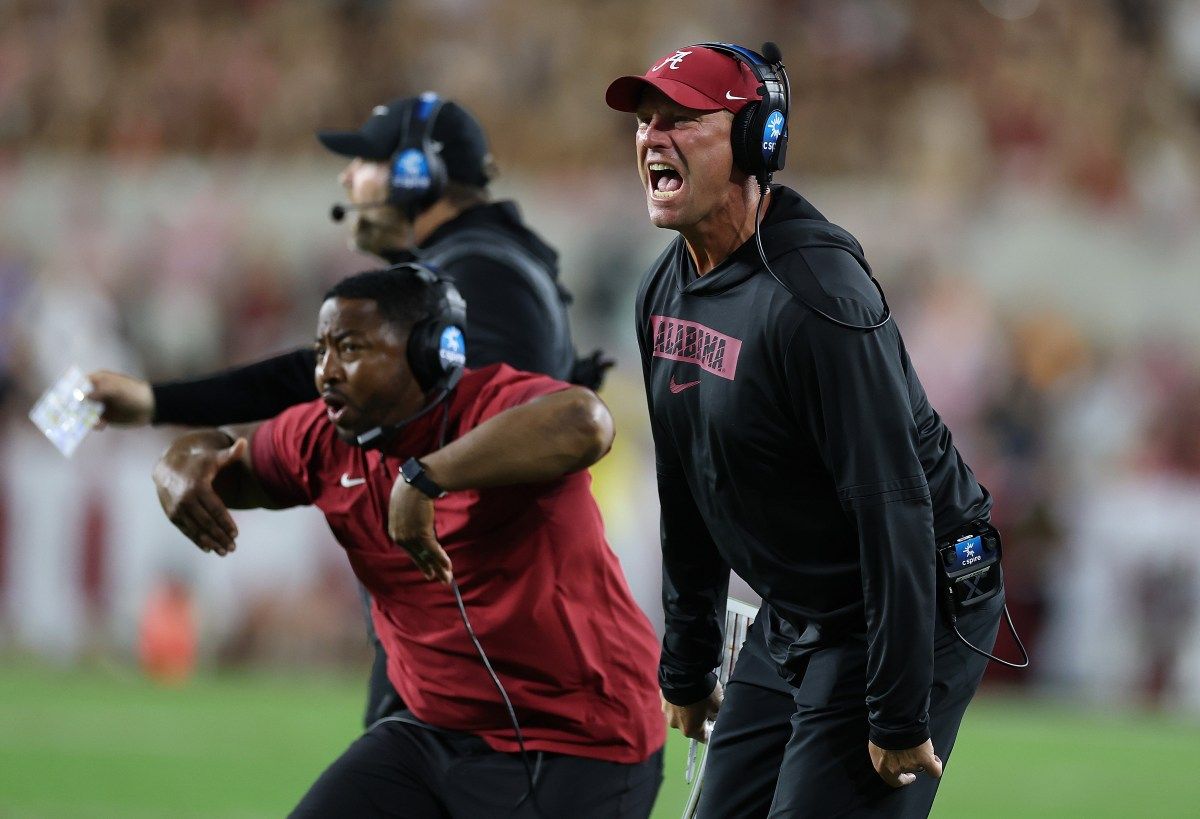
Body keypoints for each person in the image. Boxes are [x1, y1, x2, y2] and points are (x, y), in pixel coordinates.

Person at [88, 92, 609, 727]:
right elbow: (324, 380)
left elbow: (494, 420)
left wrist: (180, 415)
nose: (347, 178)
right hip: (466, 622)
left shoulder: (481, 276)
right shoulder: (474, 266)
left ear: (417, 174)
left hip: (477, 631)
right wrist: (158, 403)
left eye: (365, 161)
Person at [606, 43, 1006, 817]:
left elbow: (893, 502)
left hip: (912, 597)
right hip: (806, 603)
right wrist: (687, 660)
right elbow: (686, 486)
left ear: (756, 139)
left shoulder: (816, 293)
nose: (653, 135)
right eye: (646, 120)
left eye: (682, 119)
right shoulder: (664, 289)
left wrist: (897, 707)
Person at [152, 265, 664, 817]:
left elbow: (587, 421)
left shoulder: (493, 405)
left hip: (583, 741)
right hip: (432, 733)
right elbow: (224, 453)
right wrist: (178, 462)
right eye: (321, 351)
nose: (326, 372)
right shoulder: (324, 435)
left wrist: (426, 477)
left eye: (350, 348)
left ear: (429, 353)